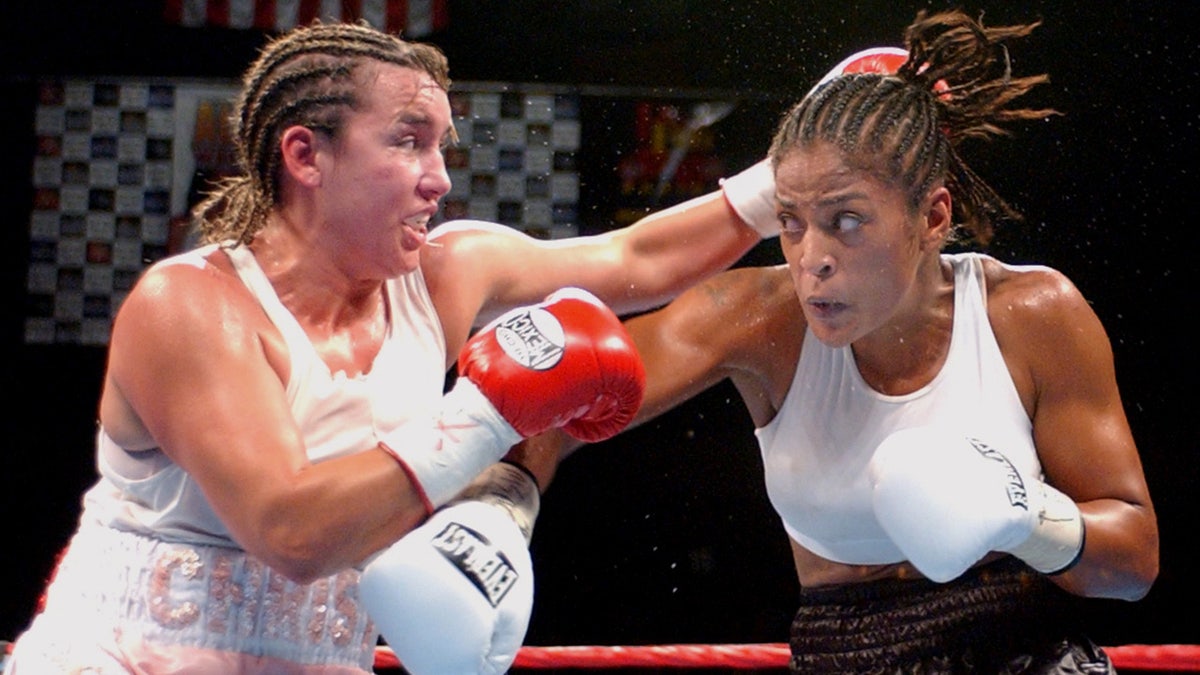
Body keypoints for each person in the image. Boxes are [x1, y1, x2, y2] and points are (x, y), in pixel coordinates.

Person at [4, 20, 778, 675]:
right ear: (306, 156)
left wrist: (785, 183)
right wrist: (489, 413)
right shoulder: (192, 307)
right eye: (409, 143)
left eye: (443, 147)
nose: (439, 180)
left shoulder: (447, 273)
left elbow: (640, 261)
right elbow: (291, 531)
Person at [578, 10, 1159, 673]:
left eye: (846, 219)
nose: (811, 259)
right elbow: (557, 400)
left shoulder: (1030, 313)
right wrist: (494, 497)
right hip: (840, 655)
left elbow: (1134, 563)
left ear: (933, 216)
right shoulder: (754, 317)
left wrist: (1029, 518)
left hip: (1026, 653)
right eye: (791, 222)